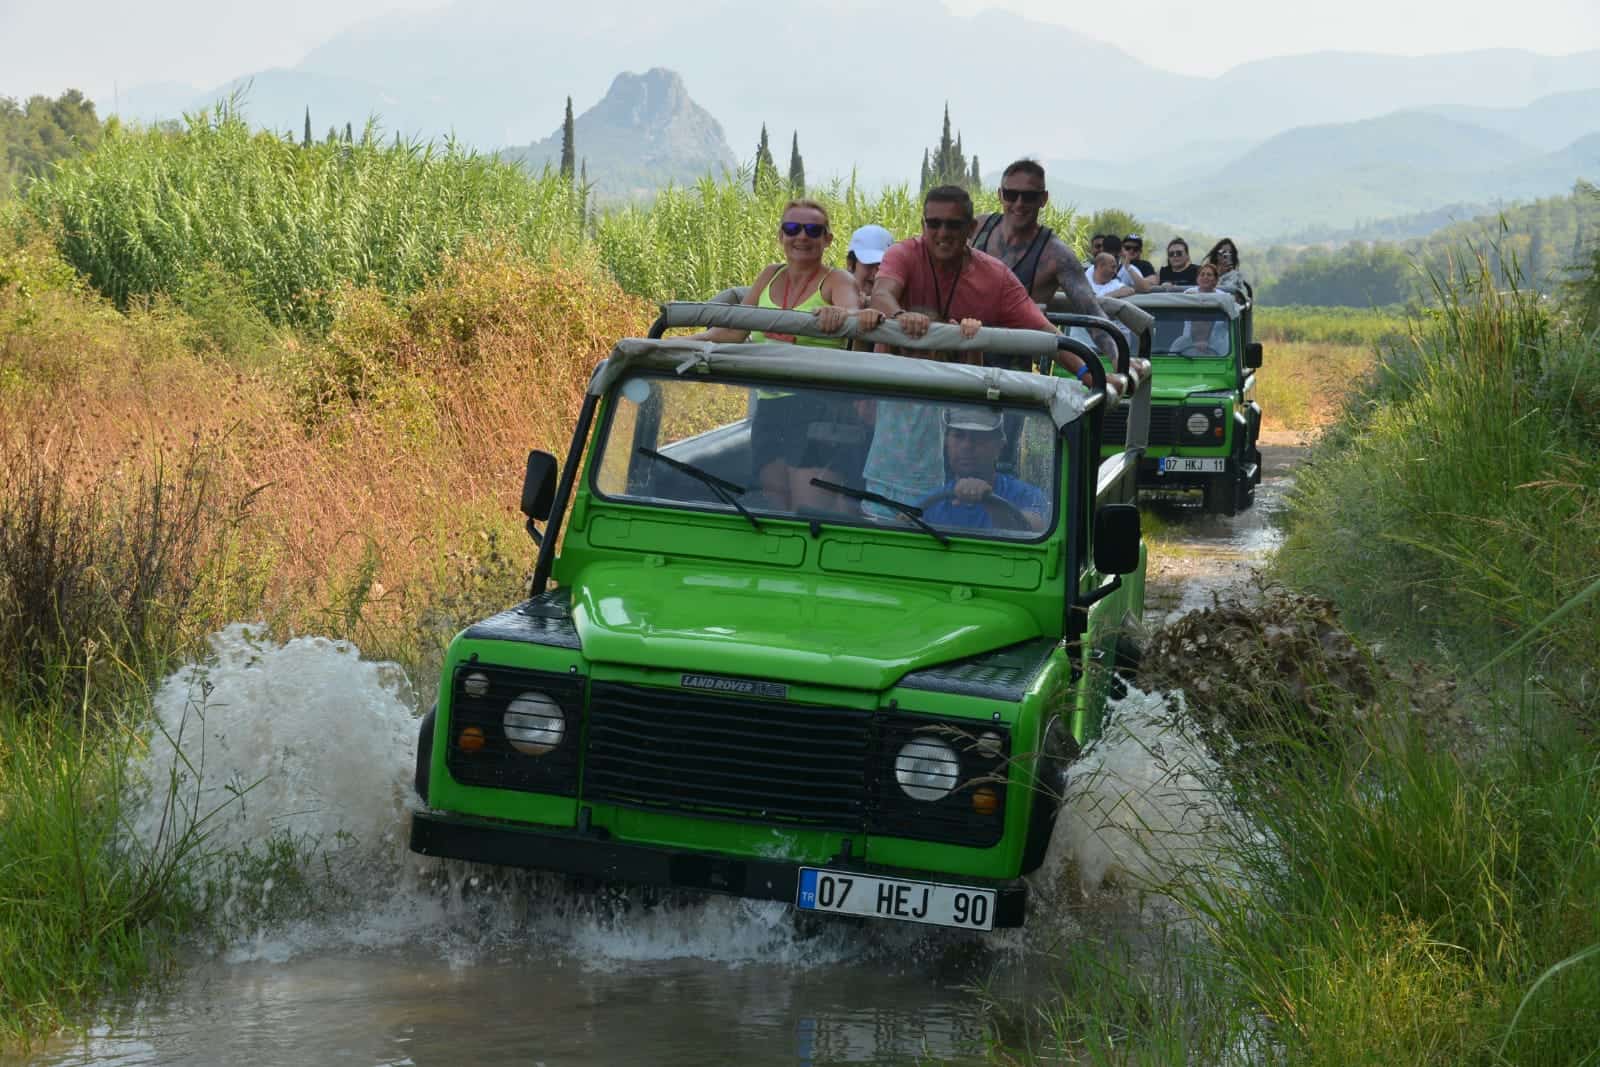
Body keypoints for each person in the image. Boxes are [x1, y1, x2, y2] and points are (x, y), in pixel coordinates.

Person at [864, 185, 1099, 514]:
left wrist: (1090, 373)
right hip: (899, 438)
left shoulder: (994, 276)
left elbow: (1042, 331)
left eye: (953, 225)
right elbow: (883, 294)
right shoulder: (904, 254)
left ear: (971, 229)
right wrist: (902, 318)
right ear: (923, 226)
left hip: (958, 422)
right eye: (934, 224)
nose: (942, 233)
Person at [967, 159, 1114, 361]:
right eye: (1011, 195)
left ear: (1043, 199)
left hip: (1017, 370)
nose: (1019, 203)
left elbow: (1092, 311)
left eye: (1029, 197)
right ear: (1000, 195)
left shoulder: (1056, 255)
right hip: (963, 356)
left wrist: (1120, 360)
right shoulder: (977, 228)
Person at [687, 198, 875, 345]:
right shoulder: (770, 274)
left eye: (813, 230)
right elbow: (735, 331)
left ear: (827, 240)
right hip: (765, 385)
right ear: (781, 236)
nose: (802, 237)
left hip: (817, 390)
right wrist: (678, 342)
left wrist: (840, 313)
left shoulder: (837, 279)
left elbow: (853, 311)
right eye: (792, 229)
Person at [920, 406, 1048, 532]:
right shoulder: (931, 503)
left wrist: (992, 503)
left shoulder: (1026, 495)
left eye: (978, 437)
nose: (966, 445)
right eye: (958, 436)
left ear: (1000, 446)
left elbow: (1035, 530)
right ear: (946, 442)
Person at [845, 223, 894, 302]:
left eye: (883, 267)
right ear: (850, 264)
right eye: (870, 264)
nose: (876, 273)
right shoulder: (831, 297)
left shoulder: (900, 306)